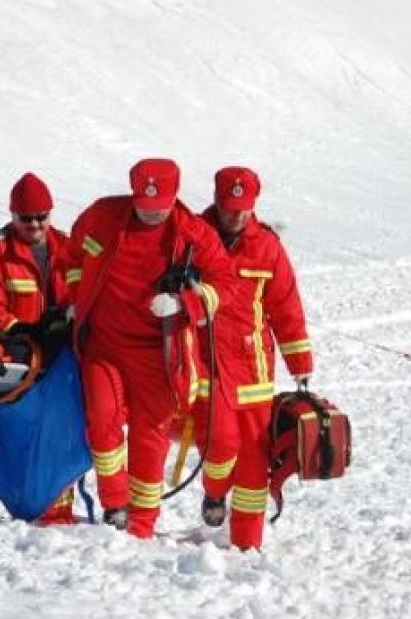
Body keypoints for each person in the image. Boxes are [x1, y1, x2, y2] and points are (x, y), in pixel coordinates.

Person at [65, 158, 239, 538]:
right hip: (104, 347)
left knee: (151, 433)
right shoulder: (102, 216)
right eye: (144, 208)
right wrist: (76, 297)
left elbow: (226, 282)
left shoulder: (193, 233)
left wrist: (187, 304)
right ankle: (115, 505)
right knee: (103, 421)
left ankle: (142, 522)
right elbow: (73, 255)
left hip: (159, 355)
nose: (150, 215)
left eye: (159, 209)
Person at [194, 166, 314, 550]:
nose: (237, 214)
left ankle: (248, 542)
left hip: (253, 369)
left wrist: (300, 364)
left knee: (253, 462)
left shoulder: (267, 246)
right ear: (216, 200)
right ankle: (214, 492)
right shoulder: (192, 237)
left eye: (244, 207)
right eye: (230, 207)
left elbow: (285, 307)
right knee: (219, 444)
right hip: (204, 363)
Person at [0, 172, 76, 525]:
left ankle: (59, 509)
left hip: (60, 363)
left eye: (41, 217)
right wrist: (29, 333)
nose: (34, 225)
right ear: (12, 215)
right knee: (18, 436)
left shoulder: (66, 246)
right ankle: (24, 508)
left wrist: (66, 324)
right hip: (15, 365)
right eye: (26, 218)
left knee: (61, 433)